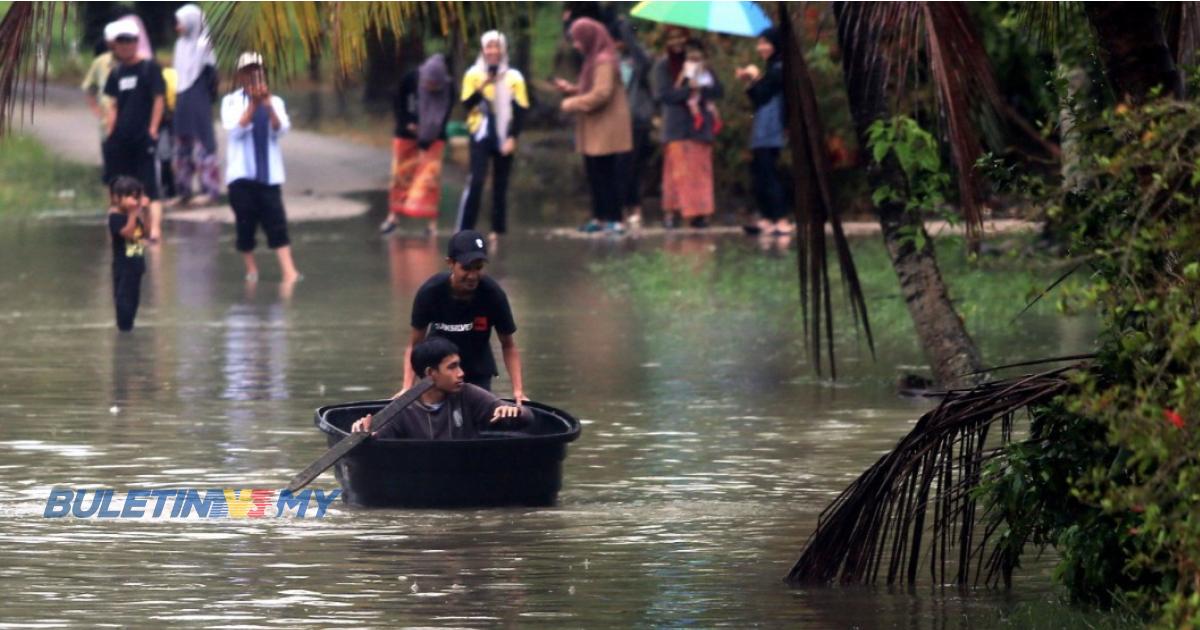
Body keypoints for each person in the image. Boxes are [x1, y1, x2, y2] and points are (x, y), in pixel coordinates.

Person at [404, 230, 524, 401]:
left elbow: (508, 346)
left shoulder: (493, 294)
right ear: (450, 263)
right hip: (437, 375)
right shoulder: (430, 292)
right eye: (466, 268)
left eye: (478, 268)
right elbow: (415, 344)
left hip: (477, 374)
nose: (473, 276)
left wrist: (518, 391)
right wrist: (406, 389)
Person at [220, 52, 301, 284]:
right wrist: (253, 106)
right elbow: (235, 129)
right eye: (248, 71)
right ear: (240, 75)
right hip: (241, 175)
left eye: (257, 70)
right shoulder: (231, 101)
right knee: (245, 223)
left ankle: (289, 271)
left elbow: (280, 129)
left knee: (276, 221)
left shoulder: (275, 102)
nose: (253, 75)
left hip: (269, 176)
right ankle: (252, 270)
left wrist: (267, 106)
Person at [351, 337, 531, 440]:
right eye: (452, 367)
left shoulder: (468, 394)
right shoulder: (402, 408)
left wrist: (515, 412)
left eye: (459, 366)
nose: (461, 373)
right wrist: (364, 433)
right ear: (431, 373)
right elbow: (378, 439)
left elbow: (527, 418)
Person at [556, 17, 634, 235]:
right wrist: (572, 89)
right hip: (594, 127)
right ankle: (599, 217)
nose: (576, 45)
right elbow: (591, 88)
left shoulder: (604, 60)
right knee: (594, 173)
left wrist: (572, 103)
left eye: (579, 40)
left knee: (606, 173)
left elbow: (602, 93)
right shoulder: (592, 59)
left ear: (589, 37)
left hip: (606, 127)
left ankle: (615, 219)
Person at [455, 31, 529, 240]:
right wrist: (485, 84)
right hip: (480, 132)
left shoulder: (514, 77)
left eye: (497, 47)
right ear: (483, 50)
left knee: (500, 183)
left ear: (503, 49)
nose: (493, 51)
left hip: (504, 134)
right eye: (489, 47)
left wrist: (513, 137)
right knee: (476, 180)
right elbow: (467, 105)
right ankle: (465, 231)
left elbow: (521, 110)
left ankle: (498, 230)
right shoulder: (473, 74)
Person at [651, 26, 722, 229]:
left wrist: (703, 84)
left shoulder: (700, 64)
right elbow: (663, 95)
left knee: (700, 173)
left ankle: (700, 214)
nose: (676, 43)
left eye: (680, 38)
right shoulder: (662, 66)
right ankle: (672, 213)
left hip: (700, 128)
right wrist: (686, 89)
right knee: (676, 174)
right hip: (676, 128)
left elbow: (718, 91)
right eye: (671, 39)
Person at [102, 18, 166, 242]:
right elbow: (113, 104)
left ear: (137, 42)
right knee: (121, 185)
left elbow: (159, 99)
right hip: (121, 137)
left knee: (149, 186)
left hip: (143, 136)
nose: (125, 45)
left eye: (129, 40)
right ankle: (127, 230)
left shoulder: (149, 68)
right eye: (121, 41)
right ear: (115, 45)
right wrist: (111, 131)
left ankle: (154, 231)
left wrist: (153, 128)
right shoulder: (117, 72)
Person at [382, 53, 454, 236]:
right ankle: (393, 217)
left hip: (433, 136)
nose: (429, 87)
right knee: (400, 173)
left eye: (433, 85)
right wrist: (407, 122)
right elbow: (397, 100)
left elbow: (443, 115)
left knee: (429, 178)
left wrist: (428, 134)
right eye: (427, 84)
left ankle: (431, 224)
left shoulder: (447, 87)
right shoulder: (411, 78)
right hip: (406, 133)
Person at [736, 26, 794, 236]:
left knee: (769, 173)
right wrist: (752, 79)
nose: (761, 47)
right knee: (760, 173)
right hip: (763, 128)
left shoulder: (780, 68)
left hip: (773, 128)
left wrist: (755, 77)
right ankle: (768, 217)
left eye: (765, 43)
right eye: (760, 43)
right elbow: (758, 95)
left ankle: (780, 218)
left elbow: (764, 93)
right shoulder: (772, 68)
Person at [172, 4, 221, 206]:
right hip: (181, 96)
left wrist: (205, 99)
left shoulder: (203, 44)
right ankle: (183, 191)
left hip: (198, 96)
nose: (177, 27)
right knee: (182, 143)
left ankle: (209, 190)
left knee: (203, 142)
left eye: (180, 23)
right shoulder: (180, 45)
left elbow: (212, 77)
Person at [610, 17, 653, 229]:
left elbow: (644, 64)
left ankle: (634, 207)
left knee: (633, 166)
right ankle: (624, 208)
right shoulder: (612, 59)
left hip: (637, 119)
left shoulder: (640, 56)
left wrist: (628, 34)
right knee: (620, 166)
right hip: (616, 120)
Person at [107, 176, 149, 332]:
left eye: (137, 197)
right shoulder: (115, 217)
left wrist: (145, 211)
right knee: (123, 301)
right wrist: (133, 214)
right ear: (117, 198)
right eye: (130, 196)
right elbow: (128, 234)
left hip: (135, 264)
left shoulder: (135, 217)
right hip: (123, 267)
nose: (135, 200)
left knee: (133, 301)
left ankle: (128, 327)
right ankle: (124, 330)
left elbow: (144, 234)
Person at [82, 25, 118, 141]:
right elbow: (89, 87)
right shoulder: (101, 62)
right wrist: (96, 110)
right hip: (106, 120)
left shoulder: (140, 63)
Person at [682, 40, 723, 134]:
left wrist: (695, 82)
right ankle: (714, 120)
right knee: (708, 104)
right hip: (702, 84)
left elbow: (696, 74)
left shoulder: (702, 64)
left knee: (694, 102)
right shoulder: (690, 64)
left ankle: (700, 117)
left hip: (702, 84)